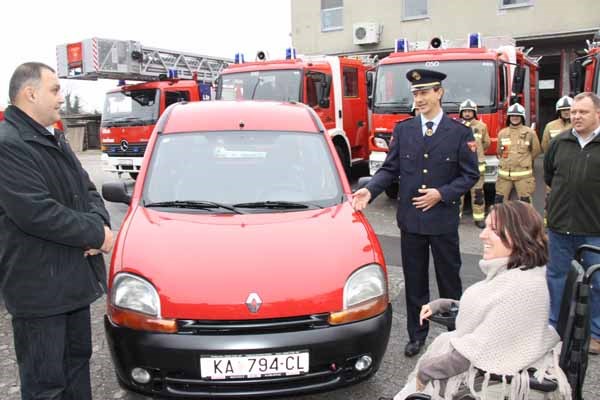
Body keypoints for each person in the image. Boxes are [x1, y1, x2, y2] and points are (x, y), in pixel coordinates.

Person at [0, 62, 114, 399]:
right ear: (30, 93)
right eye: (55, 89)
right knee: (46, 384)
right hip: (39, 291)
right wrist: (97, 236)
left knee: (77, 367)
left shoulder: (54, 139)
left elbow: (88, 191)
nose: (61, 98)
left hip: (72, 283)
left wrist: (99, 225)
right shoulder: (9, 145)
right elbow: (36, 213)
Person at [353, 69, 479, 358]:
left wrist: (441, 193)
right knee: (415, 281)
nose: (419, 99)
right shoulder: (404, 130)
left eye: (424, 93)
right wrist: (370, 191)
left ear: (439, 93)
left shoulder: (459, 132)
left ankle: (455, 337)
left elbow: (469, 174)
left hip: (443, 221)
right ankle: (416, 334)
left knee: (449, 281)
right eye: (415, 94)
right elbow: (390, 169)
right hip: (411, 222)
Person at [389, 201, 571, 400]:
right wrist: (446, 305)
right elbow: (493, 313)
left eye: (492, 229)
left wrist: (426, 371)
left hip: (489, 379)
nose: (482, 234)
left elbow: (470, 355)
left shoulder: (520, 290)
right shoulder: (519, 273)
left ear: (517, 235)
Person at [544, 91, 600, 355]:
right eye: (574, 112)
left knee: (597, 283)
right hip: (559, 229)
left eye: (583, 112)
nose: (576, 116)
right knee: (556, 279)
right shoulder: (560, 142)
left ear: (597, 114)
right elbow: (548, 176)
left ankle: (596, 334)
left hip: (594, 231)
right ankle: (555, 327)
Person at [495, 103, 541, 204]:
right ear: (509, 117)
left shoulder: (530, 133)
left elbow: (536, 150)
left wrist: (525, 160)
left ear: (522, 117)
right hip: (504, 176)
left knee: (525, 203)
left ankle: (526, 220)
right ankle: (502, 220)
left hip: (523, 176)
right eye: (512, 116)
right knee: (499, 202)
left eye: (517, 116)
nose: (514, 118)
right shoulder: (502, 133)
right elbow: (499, 152)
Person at [457, 99, 490, 228]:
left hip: (477, 167)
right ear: (461, 113)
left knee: (478, 194)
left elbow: (486, 143)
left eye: (469, 111)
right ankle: (456, 217)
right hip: (460, 167)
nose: (467, 113)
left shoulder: (482, 127)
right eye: (464, 111)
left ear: (474, 113)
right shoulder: (457, 126)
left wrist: (478, 153)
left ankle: (479, 218)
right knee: (458, 194)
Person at [541, 96, 572, 225]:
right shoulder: (550, 126)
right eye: (563, 110)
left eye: (568, 110)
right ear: (558, 111)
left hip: (575, 166)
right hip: (556, 167)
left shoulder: (578, 125)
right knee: (551, 197)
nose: (566, 112)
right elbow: (545, 146)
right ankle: (548, 222)